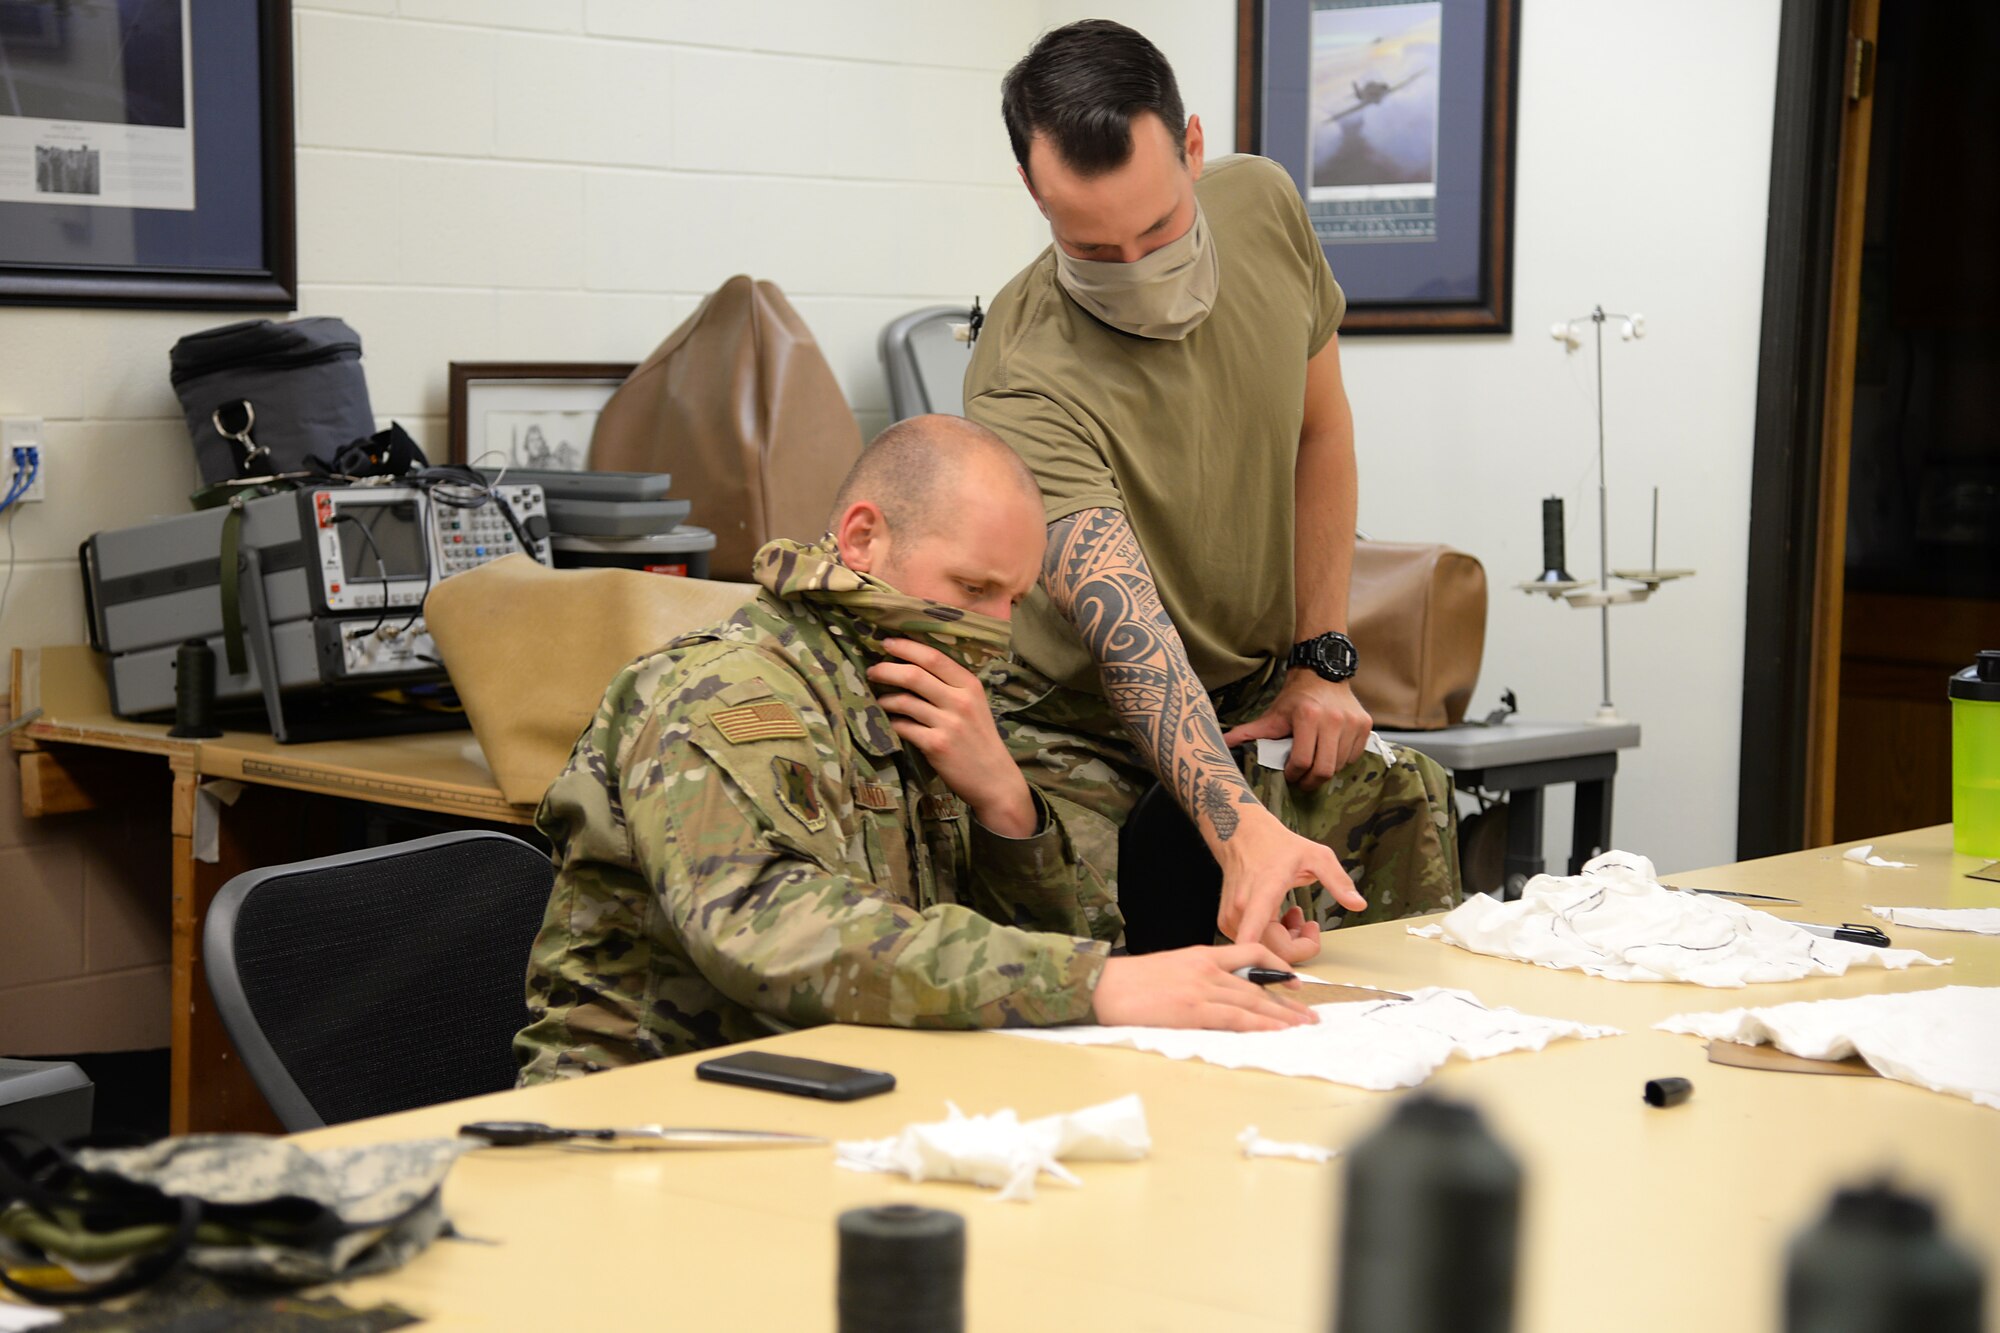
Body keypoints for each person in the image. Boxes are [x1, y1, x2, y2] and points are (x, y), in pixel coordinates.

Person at [515, 415, 1315, 1084]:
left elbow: (1013, 953)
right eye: (971, 590)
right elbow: (766, 931)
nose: (995, 629)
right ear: (863, 538)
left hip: (834, 1091)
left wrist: (1009, 810)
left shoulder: (918, 688)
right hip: (639, 1119)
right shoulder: (731, 692)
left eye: (1012, 599)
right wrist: (1098, 982)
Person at [964, 20, 1461, 959]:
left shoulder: (1263, 204)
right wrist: (1237, 828)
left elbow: (1322, 431)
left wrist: (1325, 660)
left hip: (1257, 689)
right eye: (1095, 249)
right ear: (1034, 192)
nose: (1139, 269)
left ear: (1191, 146)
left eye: (1158, 228)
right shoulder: (1019, 372)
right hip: (1085, 724)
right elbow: (1130, 640)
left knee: (1403, 839)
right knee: (1091, 942)